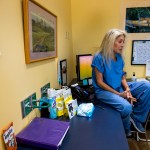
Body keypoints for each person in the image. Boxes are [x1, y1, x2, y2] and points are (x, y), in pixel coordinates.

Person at [91, 28, 150, 136]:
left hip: (118, 87)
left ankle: (136, 118)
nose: (122, 45)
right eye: (120, 42)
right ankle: (127, 130)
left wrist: (127, 89)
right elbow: (100, 82)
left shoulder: (119, 57)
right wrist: (120, 94)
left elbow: (122, 76)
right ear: (110, 42)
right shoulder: (99, 58)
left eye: (123, 42)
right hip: (103, 91)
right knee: (126, 107)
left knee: (147, 85)